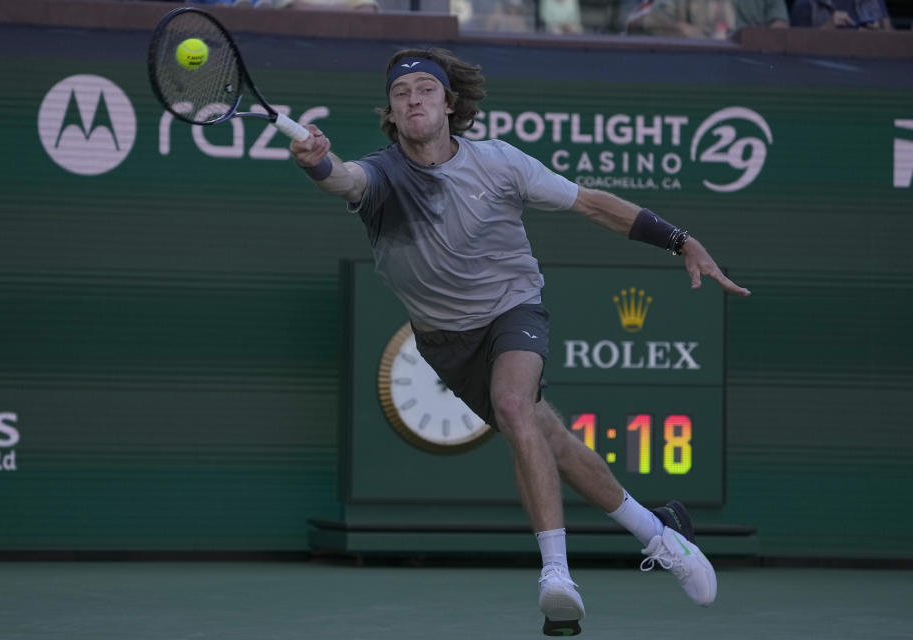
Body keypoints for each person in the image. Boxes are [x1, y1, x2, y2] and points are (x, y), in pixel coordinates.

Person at [289, 48, 750, 636]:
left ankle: (556, 576)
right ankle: (659, 531)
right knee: (548, 435)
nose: (414, 100)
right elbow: (343, 178)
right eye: (402, 94)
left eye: (426, 90)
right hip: (445, 342)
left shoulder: (500, 163)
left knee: (513, 407)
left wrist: (679, 239)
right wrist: (314, 163)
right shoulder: (382, 177)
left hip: (513, 309)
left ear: (448, 104)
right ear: (392, 112)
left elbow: (591, 204)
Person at [634, 0, 788, 38]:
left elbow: (780, 23)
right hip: (701, 68)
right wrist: (688, 30)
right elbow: (654, 17)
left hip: (754, 71)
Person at [789, 0, 892, 29]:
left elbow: (895, 42)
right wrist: (828, 27)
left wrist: (878, 35)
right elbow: (795, 51)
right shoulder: (807, 4)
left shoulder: (873, 2)